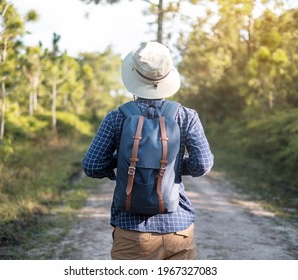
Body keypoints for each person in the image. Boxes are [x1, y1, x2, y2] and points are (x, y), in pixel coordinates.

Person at [82, 41, 214, 260]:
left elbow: (92, 165)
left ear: (134, 76)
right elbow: (203, 164)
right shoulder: (187, 116)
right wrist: (174, 166)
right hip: (178, 230)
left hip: (132, 232)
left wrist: (123, 162)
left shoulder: (117, 118)